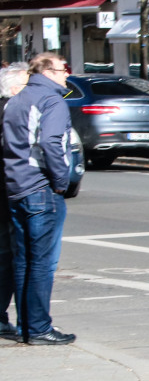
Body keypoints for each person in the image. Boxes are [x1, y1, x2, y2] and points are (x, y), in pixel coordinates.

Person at [3, 53, 76, 344]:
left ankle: (27, 327)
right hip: (40, 188)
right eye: (62, 69)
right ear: (46, 71)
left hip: (17, 187)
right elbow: (51, 142)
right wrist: (61, 181)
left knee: (23, 261)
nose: (66, 75)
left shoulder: (15, 100)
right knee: (42, 263)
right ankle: (38, 328)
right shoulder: (51, 100)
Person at [0, 64, 29, 341]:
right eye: (26, 85)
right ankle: (29, 323)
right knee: (15, 256)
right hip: (9, 192)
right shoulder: (11, 111)